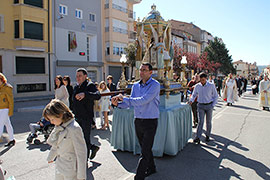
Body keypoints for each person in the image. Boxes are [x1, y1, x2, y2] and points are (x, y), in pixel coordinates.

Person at [111, 63, 160, 180]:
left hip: (150, 121)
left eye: (144, 70)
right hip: (138, 120)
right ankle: (152, 168)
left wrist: (124, 98)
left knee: (144, 151)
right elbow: (130, 103)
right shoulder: (135, 86)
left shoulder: (155, 85)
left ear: (150, 72)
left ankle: (139, 177)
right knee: (145, 147)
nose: (141, 72)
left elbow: (144, 100)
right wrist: (118, 104)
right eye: (140, 70)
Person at [44, 99, 87, 180]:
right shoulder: (58, 126)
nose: (51, 122)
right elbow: (56, 145)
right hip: (60, 165)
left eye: (52, 119)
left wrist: (81, 176)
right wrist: (51, 157)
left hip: (71, 169)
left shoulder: (74, 128)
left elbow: (81, 153)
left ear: (60, 114)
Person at [73, 68, 101, 160]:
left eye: (80, 76)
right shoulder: (76, 87)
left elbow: (97, 95)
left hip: (86, 117)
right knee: (78, 138)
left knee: (85, 138)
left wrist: (85, 94)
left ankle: (84, 161)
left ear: (85, 76)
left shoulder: (90, 85)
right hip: (77, 117)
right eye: (77, 76)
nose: (78, 78)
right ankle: (93, 147)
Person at [189, 72, 218, 144]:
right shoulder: (197, 86)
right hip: (200, 105)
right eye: (201, 80)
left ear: (206, 79)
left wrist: (213, 105)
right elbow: (194, 94)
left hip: (209, 105)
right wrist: (191, 100)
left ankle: (208, 135)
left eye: (203, 80)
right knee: (200, 121)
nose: (202, 81)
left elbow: (215, 96)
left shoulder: (211, 86)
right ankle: (198, 137)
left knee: (208, 121)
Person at [0, 73, 15, 147]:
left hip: (5, 109)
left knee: (0, 125)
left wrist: (10, 111)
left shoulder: (7, 88)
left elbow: (10, 101)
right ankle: (12, 139)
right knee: (7, 124)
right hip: (0, 109)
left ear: (1, 79)